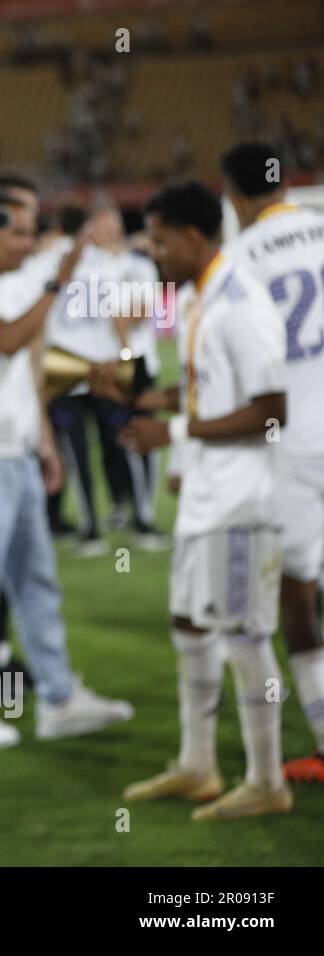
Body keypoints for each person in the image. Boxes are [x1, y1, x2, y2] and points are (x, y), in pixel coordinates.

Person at [0, 182, 133, 749]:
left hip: (7, 452)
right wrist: (56, 281)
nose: (27, 240)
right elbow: (7, 341)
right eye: (16, 229)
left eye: (32, 228)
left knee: (36, 581)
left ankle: (59, 697)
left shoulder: (3, 278)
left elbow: (22, 372)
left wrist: (42, 442)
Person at [114, 180, 292, 820]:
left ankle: (268, 780)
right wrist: (147, 400)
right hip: (207, 497)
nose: (154, 253)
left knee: (244, 634)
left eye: (160, 241)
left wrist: (176, 433)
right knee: (192, 625)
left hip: (240, 501)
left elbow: (273, 411)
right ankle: (198, 765)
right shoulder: (203, 297)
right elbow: (210, 393)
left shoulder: (239, 301)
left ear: (193, 237)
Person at [221, 141, 324, 785]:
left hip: (289, 442)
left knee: (297, 592)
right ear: (285, 181)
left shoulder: (236, 262)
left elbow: (236, 371)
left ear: (233, 195)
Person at [45, 204, 164, 556]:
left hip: (104, 364)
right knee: (76, 451)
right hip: (70, 366)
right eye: (98, 224)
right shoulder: (68, 260)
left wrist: (123, 354)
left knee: (124, 441)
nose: (104, 231)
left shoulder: (124, 264)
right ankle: (91, 527)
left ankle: (137, 517)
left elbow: (133, 315)